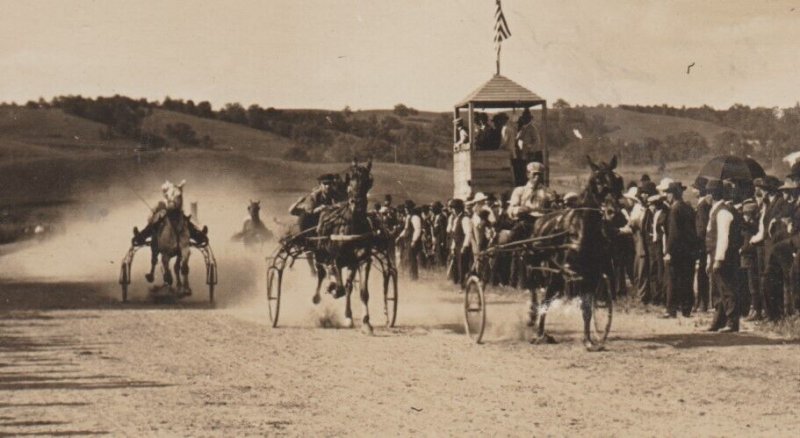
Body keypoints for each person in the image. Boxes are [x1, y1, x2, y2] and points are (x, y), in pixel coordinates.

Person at [706, 179, 743, 332]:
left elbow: (723, 237)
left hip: (724, 256)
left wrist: (719, 259)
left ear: (711, 195)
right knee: (718, 288)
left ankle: (732, 322)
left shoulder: (722, 212)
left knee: (727, 287)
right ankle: (719, 320)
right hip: (715, 253)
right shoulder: (716, 210)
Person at [132, 180, 208, 247]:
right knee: (187, 224)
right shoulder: (169, 197)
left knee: (155, 225)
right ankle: (199, 237)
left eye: (165, 191)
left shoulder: (172, 196)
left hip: (172, 215)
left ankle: (140, 237)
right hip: (174, 214)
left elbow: (171, 206)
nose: (164, 192)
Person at [662, 181, 697, 318]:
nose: (666, 196)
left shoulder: (674, 209)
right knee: (687, 280)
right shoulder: (688, 208)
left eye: (668, 193)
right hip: (688, 251)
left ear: (673, 195)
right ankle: (686, 309)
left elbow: (673, 233)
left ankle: (671, 309)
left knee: (673, 280)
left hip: (677, 251)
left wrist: (668, 251)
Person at [692, 177, 712, 313]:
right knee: (702, 273)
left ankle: (703, 303)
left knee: (702, 274)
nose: (693, 190)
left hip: (702, 244)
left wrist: (698, 242)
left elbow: (702, 227)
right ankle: (701, 303)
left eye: (694, 188)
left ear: (699, 190)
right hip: (703, 243)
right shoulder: (704, 204)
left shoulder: (703, 205)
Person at [512, 108, 541, 186]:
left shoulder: (532, 129)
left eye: (526, 118)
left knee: (528, 171)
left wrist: (530, 149)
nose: (525, 119)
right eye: (524, 118)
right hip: (521, 154)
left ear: (529, 119)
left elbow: (537, 142)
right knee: (521, 172)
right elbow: (518, 139)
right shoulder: (523, 128)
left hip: (528, 154)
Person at [396, 200, 422, 280]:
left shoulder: (415, 217)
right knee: (407, 257)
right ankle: (408, 275)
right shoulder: (408, 217)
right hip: (407, 240)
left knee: (412, 258)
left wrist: (414, 241)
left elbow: (418, 229)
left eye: (407, 208)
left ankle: (413, 277)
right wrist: (399, 237)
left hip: (412, 240)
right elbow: (406, 229)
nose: (406, 209)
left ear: (411, 208)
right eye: (405, 208)